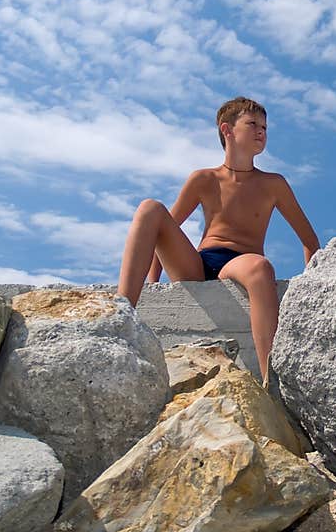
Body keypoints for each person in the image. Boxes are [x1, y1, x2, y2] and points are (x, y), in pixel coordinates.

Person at [116, 96, 320, 383]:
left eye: (264, 126)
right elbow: (161, 232)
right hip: (198, 263)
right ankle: (121, 316)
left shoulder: (274, 184)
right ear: (227, 130)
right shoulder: (203, 178)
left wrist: (309, 289)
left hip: (239, 263)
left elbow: (310, 240)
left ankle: (270, 381)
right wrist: (153, 284)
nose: (261, 131)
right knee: (149, 208)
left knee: (261, 267)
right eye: (252, 124)